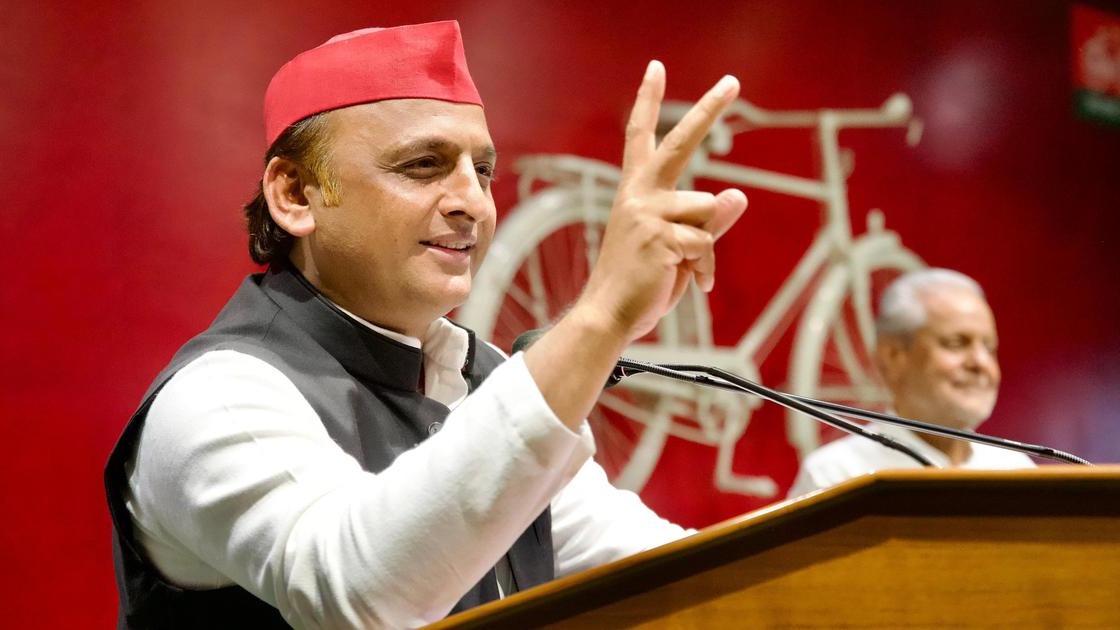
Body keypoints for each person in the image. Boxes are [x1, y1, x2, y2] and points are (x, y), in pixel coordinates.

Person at [104, 20, 749, 630]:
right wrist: (603, 316)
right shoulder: (218, 396)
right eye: (423, 165)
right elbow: (358, 594)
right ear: (295, 194)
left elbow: (676, 579)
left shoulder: (482, 375)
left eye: (483, 170)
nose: (474, 203)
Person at [787, 268, 1034, 497]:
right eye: (956, 344)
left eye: (990, 348)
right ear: (893, 357)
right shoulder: (835, 475)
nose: (980, 363)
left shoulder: (1017, 470)